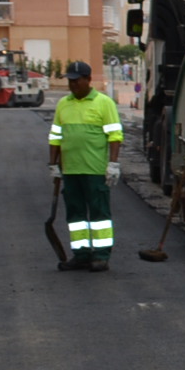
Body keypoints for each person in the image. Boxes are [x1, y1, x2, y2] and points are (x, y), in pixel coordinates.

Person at [48, 60, 124, 269]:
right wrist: (53, 165)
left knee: (99, 215)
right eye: (70, 81)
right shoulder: (64, 104)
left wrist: (113, 164)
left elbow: (115, 135)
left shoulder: (104, 103)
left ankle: (101, 256)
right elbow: (55, 136)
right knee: (76, 216)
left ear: (88, 80)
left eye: (76, 81)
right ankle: (81, 255)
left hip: (95, 171)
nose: (72, 85)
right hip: (70, 170)